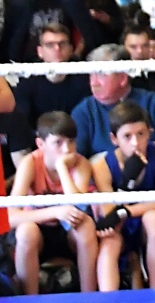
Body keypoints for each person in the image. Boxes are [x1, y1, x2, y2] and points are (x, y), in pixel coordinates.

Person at [8, 112, 99, 294]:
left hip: (68, 232)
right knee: (26, 231)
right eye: (58, 142)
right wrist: (55, 212)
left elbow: (78, 206)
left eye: (71, 141)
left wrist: (62, 168)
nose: (67, 149)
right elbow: (10, 217)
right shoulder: (30, 163)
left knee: (86, 226)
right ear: (41, 144)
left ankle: (89, 296)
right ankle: (29, 298)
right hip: (39, 232)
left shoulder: (81, 163)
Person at [90, 101, 155, 291]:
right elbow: (110, 214)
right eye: (127, 136)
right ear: (114, 139)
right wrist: (127, 181)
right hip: (120, 226)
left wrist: (125, 211)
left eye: (141, 134)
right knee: (109, 243)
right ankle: (107, 299)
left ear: (149, 133)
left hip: (145, 220)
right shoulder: (101, 166)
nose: (135, 142)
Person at [70, 44, 155, 159]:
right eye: (91, 75)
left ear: (123, 78)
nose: (94, 83)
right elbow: (74, 159)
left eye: (102, 75)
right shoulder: (83, 112)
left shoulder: (153, 103)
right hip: (102, 170)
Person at [13, 24, 91, 124]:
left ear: (71, 48)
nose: (57, 48)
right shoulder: (26, 85)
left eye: (62, 43)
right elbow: (23, 124)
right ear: (40, 52)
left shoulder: (86, 81)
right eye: (50, 45)